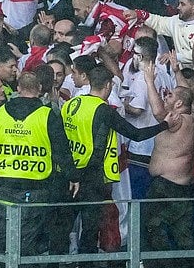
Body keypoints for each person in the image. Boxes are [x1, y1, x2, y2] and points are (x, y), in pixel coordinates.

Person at [61, 65, 175, 256]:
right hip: (92, 178)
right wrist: (164, 125)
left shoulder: (72, 103)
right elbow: (136, 135)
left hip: (70, 176)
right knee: (89, 231)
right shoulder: (104, 110)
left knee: (65, 228)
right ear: (108, 85)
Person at [0, 71, 75, 258]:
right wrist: (73, 176)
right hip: (36, 185)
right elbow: (62, 151)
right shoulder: (48, 115)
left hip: (4, 184)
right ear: (39, 89)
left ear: (18, 89)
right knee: (27, 240)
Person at [141, 58, 194, 265]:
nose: (167, 96)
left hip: (168, 188)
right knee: (181, 234)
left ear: (179, 104)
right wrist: (176, 71)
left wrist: (149, 81)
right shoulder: (191, 119)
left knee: (152, 228)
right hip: (175, 188)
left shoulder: (181, 120)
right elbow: (185, 91)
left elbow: (158, 113)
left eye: (170, 95)